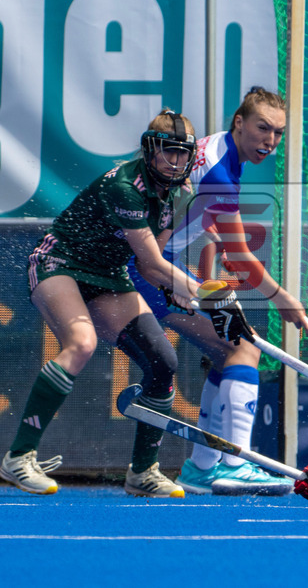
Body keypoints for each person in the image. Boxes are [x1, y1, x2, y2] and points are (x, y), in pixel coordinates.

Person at [0, 110, 202, 497]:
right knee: (82, 342)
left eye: (182, 153)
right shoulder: (125, 186)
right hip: (59, 262)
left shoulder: (183, 192)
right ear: (149, 150)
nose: (175, 161)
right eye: (167, 152)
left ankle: (143, 473)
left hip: (108, 274)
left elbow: (150, 263)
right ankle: (18, 457)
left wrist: (177, 289)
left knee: (164, 363)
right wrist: (203, 292)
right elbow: (157, 263)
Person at [127, 86, 308, 496]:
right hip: (147, 270)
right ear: (239, 123)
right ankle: (236, 463)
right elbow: (243, 257)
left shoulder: (217, 150)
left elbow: (194, 214)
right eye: (263, 128)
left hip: (157, 264)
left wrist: (214, 247)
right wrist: (284, 300)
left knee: (224, 351)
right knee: (244, 348)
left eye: (279, 132)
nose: (271, 140)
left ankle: (202, 466)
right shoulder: (221, 172)